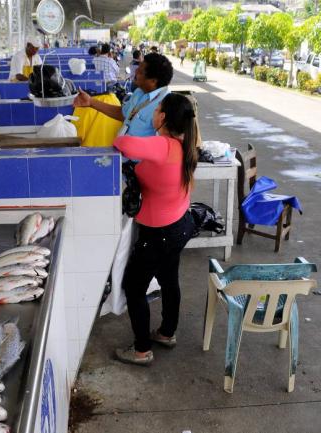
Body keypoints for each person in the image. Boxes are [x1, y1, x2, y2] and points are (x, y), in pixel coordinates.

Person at [112, 93, 198, 365]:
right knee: (169, 280)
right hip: (179, 226)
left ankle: (141, 350)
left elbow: (122, 143)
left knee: (134, 288)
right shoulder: (187, 143)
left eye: (157, 108)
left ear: (162, 117)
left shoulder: (163, 146)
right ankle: (166, 333)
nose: (154, 111)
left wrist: (133, 122)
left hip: (158, 234)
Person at [73, 52, 173, 137]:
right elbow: (123, 114)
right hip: (124, 154)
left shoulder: (167, 106)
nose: (136, 71)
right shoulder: (139, 91)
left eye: (141, 71)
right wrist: (91, 102)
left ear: (153, 81)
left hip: (139, 159)